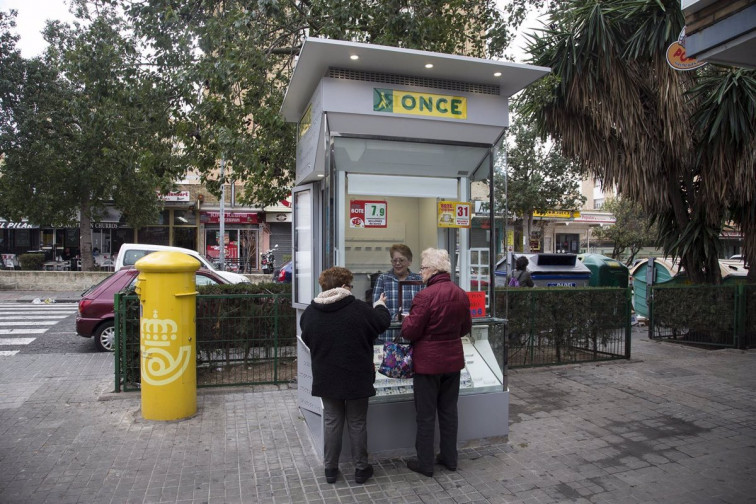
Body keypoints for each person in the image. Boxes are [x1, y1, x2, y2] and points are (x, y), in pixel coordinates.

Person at [300, 266, 391, 485]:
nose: (351, 288)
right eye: (349, 284)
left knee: (332, 421)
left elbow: (308, 338)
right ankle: (361, 469)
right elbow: (381, 322)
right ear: (343, 286)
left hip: (326, 376)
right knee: (357, 422)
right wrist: (380, 305)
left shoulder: (311, 313)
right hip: (357, 375)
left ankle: (330, 469)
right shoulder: (358, 308)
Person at [400, 248, 472, 477]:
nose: (420, 272)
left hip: (428, 364)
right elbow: (465, 328)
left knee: (426, 415)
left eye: (422, 268)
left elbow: (410, 331)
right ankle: (450, 459)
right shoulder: (461, 293)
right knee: (449, 412)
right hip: (453, 363)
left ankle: (425, 463)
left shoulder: (424, 296)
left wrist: (407, 320)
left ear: (432, 270)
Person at [372, 244, 423, 342]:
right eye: (394, 260)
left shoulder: (419, 280)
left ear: (410, 261)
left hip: (412, 337)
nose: (397, 263)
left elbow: (424, 308)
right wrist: (396, 317)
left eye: (401, 260)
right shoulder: (383, 279)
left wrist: (410, 317)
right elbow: (377, 307)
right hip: (387, 337)